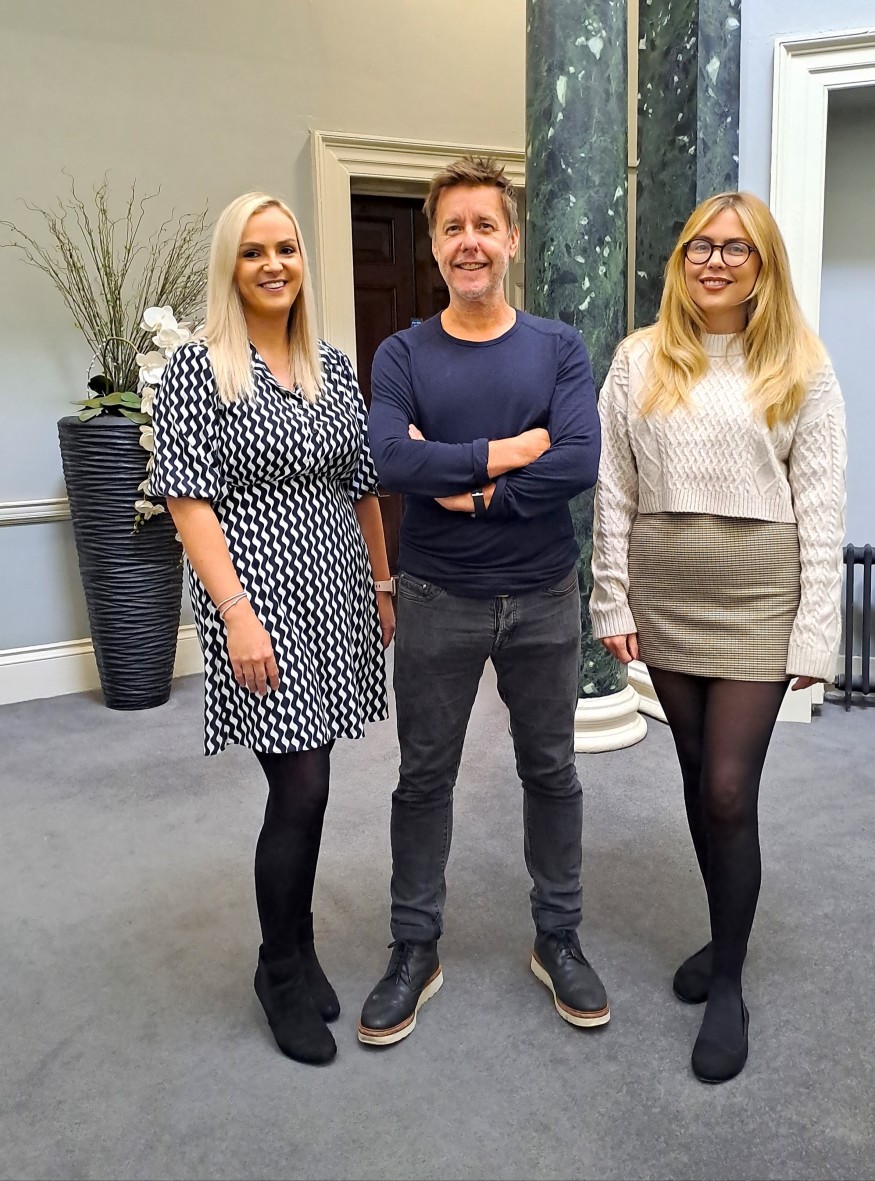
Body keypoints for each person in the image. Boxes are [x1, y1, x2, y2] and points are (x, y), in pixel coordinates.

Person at [590, 191, 846, 1083]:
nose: (713, 261)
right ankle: (720, 934)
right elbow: (613, 487)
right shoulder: (639, 358)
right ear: (681, 260)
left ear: (762, 266)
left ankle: (728, 984)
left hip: (759, 594)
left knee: (730, 790)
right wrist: (611, 598)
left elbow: (821, 506)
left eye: (735, 249)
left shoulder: (802, 363)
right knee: (699, 779)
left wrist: (814, 633)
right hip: (666, 589)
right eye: (699, 245)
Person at [359, 156, 609, 1047]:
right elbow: (389, 458)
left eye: (484, 226)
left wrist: (463, 487)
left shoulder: (557, 347)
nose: (469, 242)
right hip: (436, 597)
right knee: (423, 777)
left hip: (542, 595)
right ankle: (414, 946)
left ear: (510, 239)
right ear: (434, 246)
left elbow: (578, 459)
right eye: (452, 228)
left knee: (551, 771)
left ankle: (558, 935)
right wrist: (503, 455)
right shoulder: (402, 353)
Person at [149, 192, 394, 1067]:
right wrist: (236, 614)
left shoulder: (331, 363)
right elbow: (187, 501)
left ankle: (301, 941)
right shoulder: (198, 368)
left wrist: (380, 583)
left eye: (285, 248)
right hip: (256, 599)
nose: (273, 264)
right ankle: (278, 969)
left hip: (335, 590)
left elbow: (362, 485)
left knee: (313, 780)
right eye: (253, 251)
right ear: (231, 265)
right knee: (300, 786)